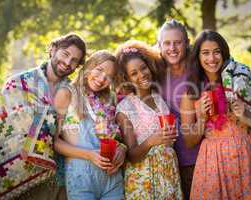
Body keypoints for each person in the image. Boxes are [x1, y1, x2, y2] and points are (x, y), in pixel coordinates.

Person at [0, 33, 86, 200]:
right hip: (11, 171)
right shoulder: (18, 83)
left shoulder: (73, 94)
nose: (67, 63)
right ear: (52, 50)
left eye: (74, 61)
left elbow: (76, 130)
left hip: (56, 178)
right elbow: (11, 129)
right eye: (65, 54)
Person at [181, 30, 251, 199]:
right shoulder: (191, 92)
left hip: (248, 156)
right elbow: (189, 141)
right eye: (205, 53)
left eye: (216, 52)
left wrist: (245, 113)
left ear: (224, 53)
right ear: (197, 56)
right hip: (213, 163)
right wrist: (202, 118)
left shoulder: (240, 80)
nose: (212, 58)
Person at [53, 50, 126, 200]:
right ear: (89, 66)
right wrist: (89, 155)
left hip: (111, 177)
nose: (101, 79)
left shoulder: (110, 99)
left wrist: (122, 149)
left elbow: (116, 137)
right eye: (99, 70)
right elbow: (54, 142)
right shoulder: (67, 94)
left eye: (109, 77)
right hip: (81, 175)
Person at [115, 40, 182, 199]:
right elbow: (131, 155)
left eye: (143, 68)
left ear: (149, 66)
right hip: (143, 178)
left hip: (168, 172)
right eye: (134, 73)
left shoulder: (159, 99)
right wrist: (152, 141)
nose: (141, 74)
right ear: (127, 78)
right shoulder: (125, 108)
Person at [157, 19, 199, 199]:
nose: (172, 48)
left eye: (177, 42)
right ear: (159, 45)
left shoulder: (197, 71)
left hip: (198, 157)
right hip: (168, 161)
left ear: (187, 43)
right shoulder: (155, 73)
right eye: (167, 43)